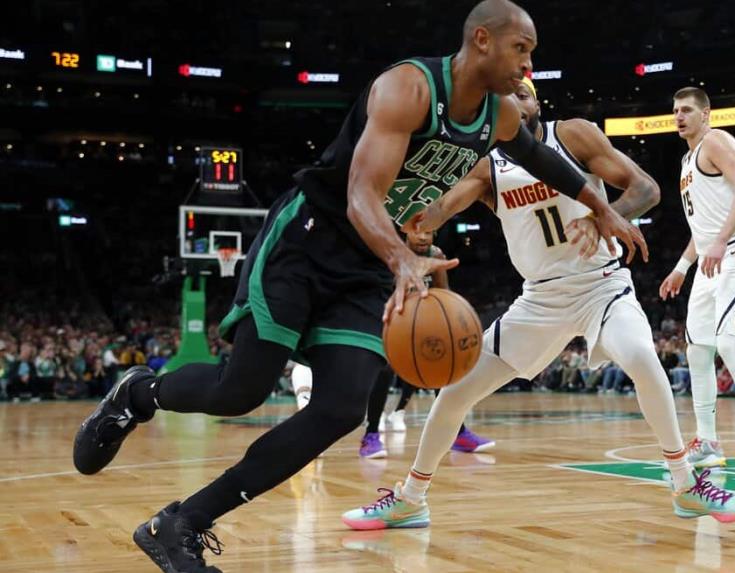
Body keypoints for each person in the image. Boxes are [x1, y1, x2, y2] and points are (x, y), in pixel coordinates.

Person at [72, 2, 646, 571]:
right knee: (240, 391)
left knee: (341, 408)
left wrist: (602, 208)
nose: (527, 65)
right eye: (521, 49)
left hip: (369, 270)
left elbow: (540, 157)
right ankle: (136, 396)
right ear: (481, 40)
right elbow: (360, 197)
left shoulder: (498, 115)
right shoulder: (410, 88)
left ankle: (182, 524)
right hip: (308, 242)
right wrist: (402, 260)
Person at [342, 76, 735, 531]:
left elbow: (646, 189)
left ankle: (685, 483)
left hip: (600, 286)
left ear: (536, 103)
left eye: (522, 95)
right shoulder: (489, 167)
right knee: (456, 391)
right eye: (505, 99)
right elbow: (437, 211)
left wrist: (603, 218)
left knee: (640, 355)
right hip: (539, 299)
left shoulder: (572, 135)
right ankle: (410, 499)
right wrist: (415, 219)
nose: (515, 103)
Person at [659, 86, 735, 479]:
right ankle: (708, 443)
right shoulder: (687, 160)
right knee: (698, 351)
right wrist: (682, 267)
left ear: (706, 113)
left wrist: (720, 241)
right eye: (675, 111)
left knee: (729, 345)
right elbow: (703, 227)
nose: (679, 117)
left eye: (686, 110)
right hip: (711, 260)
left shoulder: (716, 141)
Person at [360, 228, 495, 459]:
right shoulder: (393, 253)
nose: (423, 237)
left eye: (428, 232)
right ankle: (370, 435)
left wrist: (452, 322)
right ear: (406, 233)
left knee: (443, 370)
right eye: (417, 232)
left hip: (424, 323)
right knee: (385, 371)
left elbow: (444, 293)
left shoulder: (436, 255)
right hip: (394, 317)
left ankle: (458, 434)